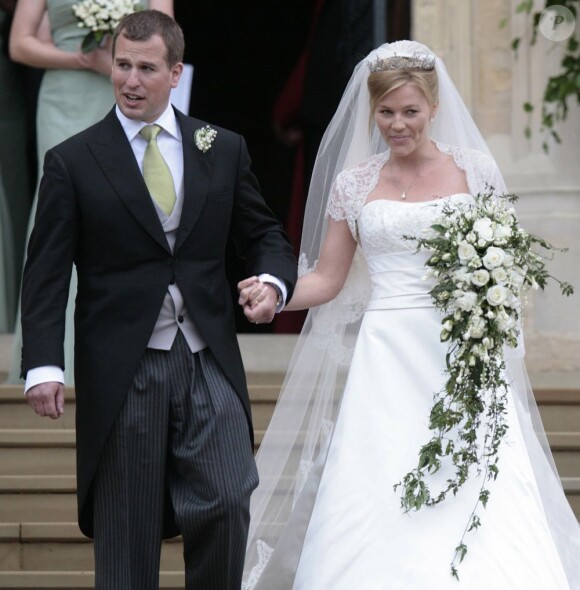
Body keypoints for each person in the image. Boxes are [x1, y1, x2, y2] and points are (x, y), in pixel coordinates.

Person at [239, 40, 580, 589]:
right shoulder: (354, 184)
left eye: (410, 112)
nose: (398, 124)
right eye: (386, 112)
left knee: (477, 483)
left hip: (463, 354)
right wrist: (276, 294)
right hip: (386, 355)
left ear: (434, 107)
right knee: (379, 477)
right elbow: (327, 279)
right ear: (372, 111)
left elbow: (506, 268)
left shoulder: (475, 171)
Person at [20, 9, 297, 590]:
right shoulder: (72, 161)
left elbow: (264, 236)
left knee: (227, 498)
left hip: (207, 358)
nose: (130, 80)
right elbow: (45, 274)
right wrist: (44, 362)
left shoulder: (220, 148)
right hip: (124, 366)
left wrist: (271, 283)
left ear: (175, 73)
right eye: (122, 65)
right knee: (126, 533)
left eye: (146, 68)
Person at [6, 0, 173, 383]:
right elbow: (20, 44)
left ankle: (130, 350)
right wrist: (83, 60)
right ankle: (48, 358)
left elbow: (168, 38)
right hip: (64, 96)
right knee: (57, 212)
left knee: (129, 209)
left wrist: (121, 63)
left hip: (125, 96)